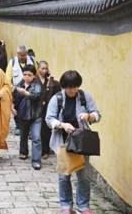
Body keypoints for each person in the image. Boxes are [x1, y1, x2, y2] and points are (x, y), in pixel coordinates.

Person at [45, 70, 101, 214]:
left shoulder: (84, 96)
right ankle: (66, 206)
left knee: (83, 176)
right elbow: (49, 118)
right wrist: (61, 125)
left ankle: (83, 206)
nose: (72, 90)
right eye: (69, 87)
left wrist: (88, 116)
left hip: (81, 143)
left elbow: (97, 115)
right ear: (64, 86)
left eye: (75, 86)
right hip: (63, 142)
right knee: (64, 176)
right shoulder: (57, 99)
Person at [11, 64, 43, 170]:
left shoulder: (37, 85)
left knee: (36, 138)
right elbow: (14, 98)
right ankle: (23, 152)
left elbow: (35, 96)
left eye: (29, 75)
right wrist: (12, 107)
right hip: (22, 115)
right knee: (23, 135)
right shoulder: (20, 84)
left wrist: (25, 92)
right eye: (24, 74)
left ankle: (36, 161)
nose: (26, 77)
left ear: (34, 75)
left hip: (35, 116)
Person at [6, 45, 37, 135]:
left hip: (30, 89)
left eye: (24, 56)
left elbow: (37, 73)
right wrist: (11, 90)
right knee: (17, 108)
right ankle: (18, 126)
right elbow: (7, 78)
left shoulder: (32, 60)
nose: (22, 57)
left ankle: (30, 128)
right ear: (17, 54)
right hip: (17, 89)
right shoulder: (12, 62)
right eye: (20, 56)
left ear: (27, 54)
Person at [35, 61, 61, 159]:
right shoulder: (34, 80)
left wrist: (50, 81)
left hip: (48, 109)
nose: (44, 70)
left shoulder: (52, 82)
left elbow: (56, 93)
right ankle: (40, 149)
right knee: (38, 130)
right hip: (37, 109)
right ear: (38, 69)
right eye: (42, 68)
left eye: (46, 68)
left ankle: (45, 150)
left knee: (46, 130)